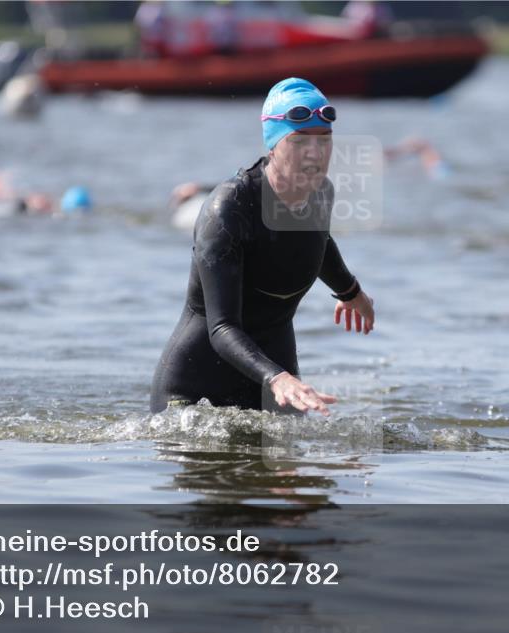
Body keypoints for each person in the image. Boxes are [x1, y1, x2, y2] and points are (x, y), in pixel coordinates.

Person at [150, 77, 375, 415]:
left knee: (299, 466)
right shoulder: (228, 209)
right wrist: (278, 379)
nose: (314, 154)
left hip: (274, 366)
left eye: (324, 140)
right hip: (195, 389)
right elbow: (222, 327)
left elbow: (317, 241)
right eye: (300, 141)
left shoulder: (322, 193)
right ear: (273, 145)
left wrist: (349, 290)